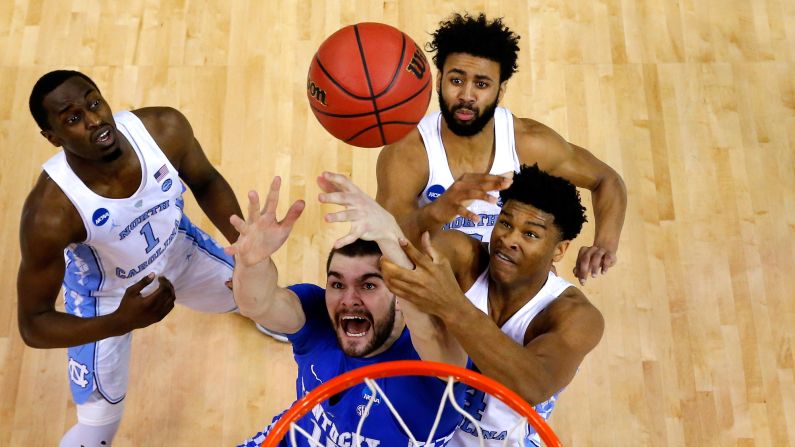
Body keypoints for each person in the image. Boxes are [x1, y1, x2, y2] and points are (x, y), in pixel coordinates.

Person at [17, 69, 258, 447]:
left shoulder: (164, 129)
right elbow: (33, 325)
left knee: (259, 293)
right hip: (106, 299)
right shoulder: (50, 213)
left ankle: (256, 308)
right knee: (98, 429)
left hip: (176, 249)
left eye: (94, 103)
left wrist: (244, 243)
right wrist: (119, 322)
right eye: (73, 119)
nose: (95, 120)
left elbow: (206, 181)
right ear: (53, 137)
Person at [376, 12, 627, 285]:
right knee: (454, 248)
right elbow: (388, 241)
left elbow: (606, 179)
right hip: (442, 283)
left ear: (501, 89)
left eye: (481, 84)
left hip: (509, 282)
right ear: (439, 80)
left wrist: (604, 244)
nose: (467, 96)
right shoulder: (410, 151)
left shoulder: (528, 143)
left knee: (572, 309)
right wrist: (438, 211)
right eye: (456, 80)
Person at [231, 173, 467, 447]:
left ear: (400, 295)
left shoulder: (433, 361)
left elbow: (435, 339)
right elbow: (257, 304)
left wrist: (391, 237)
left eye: (368, 286)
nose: (348, 298)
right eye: (337, 283)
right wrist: (252, 263)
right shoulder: (318, 315)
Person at [378, 164, 605, 446]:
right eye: (506, 223)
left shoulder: (574, 315)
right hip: (424, 431)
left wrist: (453, 305)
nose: (509, 240)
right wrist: (432, 214)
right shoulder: (464, 256)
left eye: (530, 234)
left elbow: (533, 384)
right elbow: (395, 258)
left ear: (559, 250)